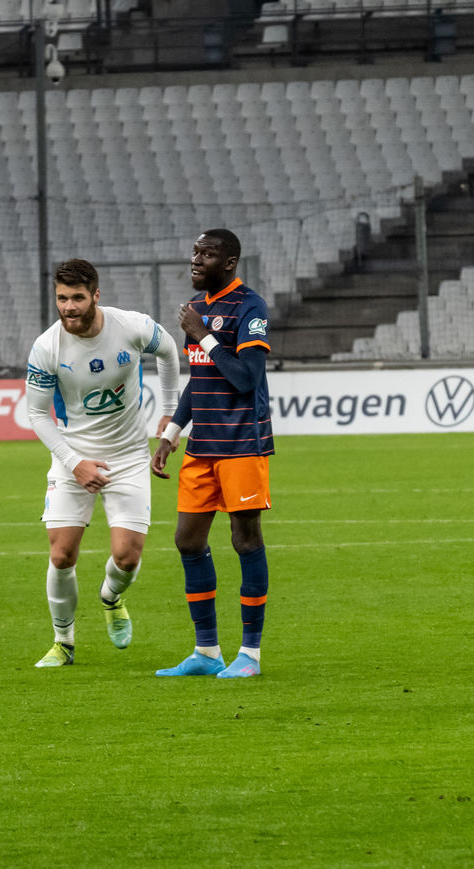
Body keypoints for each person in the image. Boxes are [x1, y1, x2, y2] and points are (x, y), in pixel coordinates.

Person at [24, 259, 181, 668]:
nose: (69, 307)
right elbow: (37, 414)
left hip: (128, 457)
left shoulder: (131, 326)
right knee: (61, 555)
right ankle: (63, 643)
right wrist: (74, 463)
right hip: (72, 458)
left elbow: (169, 350)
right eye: (62, 298)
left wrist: (170, 410)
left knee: (127, 557)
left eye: (77, 297)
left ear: (96, 295)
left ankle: (111, 597)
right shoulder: (47, 347)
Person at [150, 229, 274, 679]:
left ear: (230, 263)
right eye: (195, 252)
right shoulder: (196, 308)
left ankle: (250, 655)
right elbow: (200, 380)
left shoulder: (249, 307)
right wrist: (172, 433)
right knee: (188, 540)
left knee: (245, 540)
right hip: (202, 446)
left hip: (241, 442)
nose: (196, 260)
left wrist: (202, 335)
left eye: (207, 254)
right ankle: (206, 652)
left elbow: (245, 378)